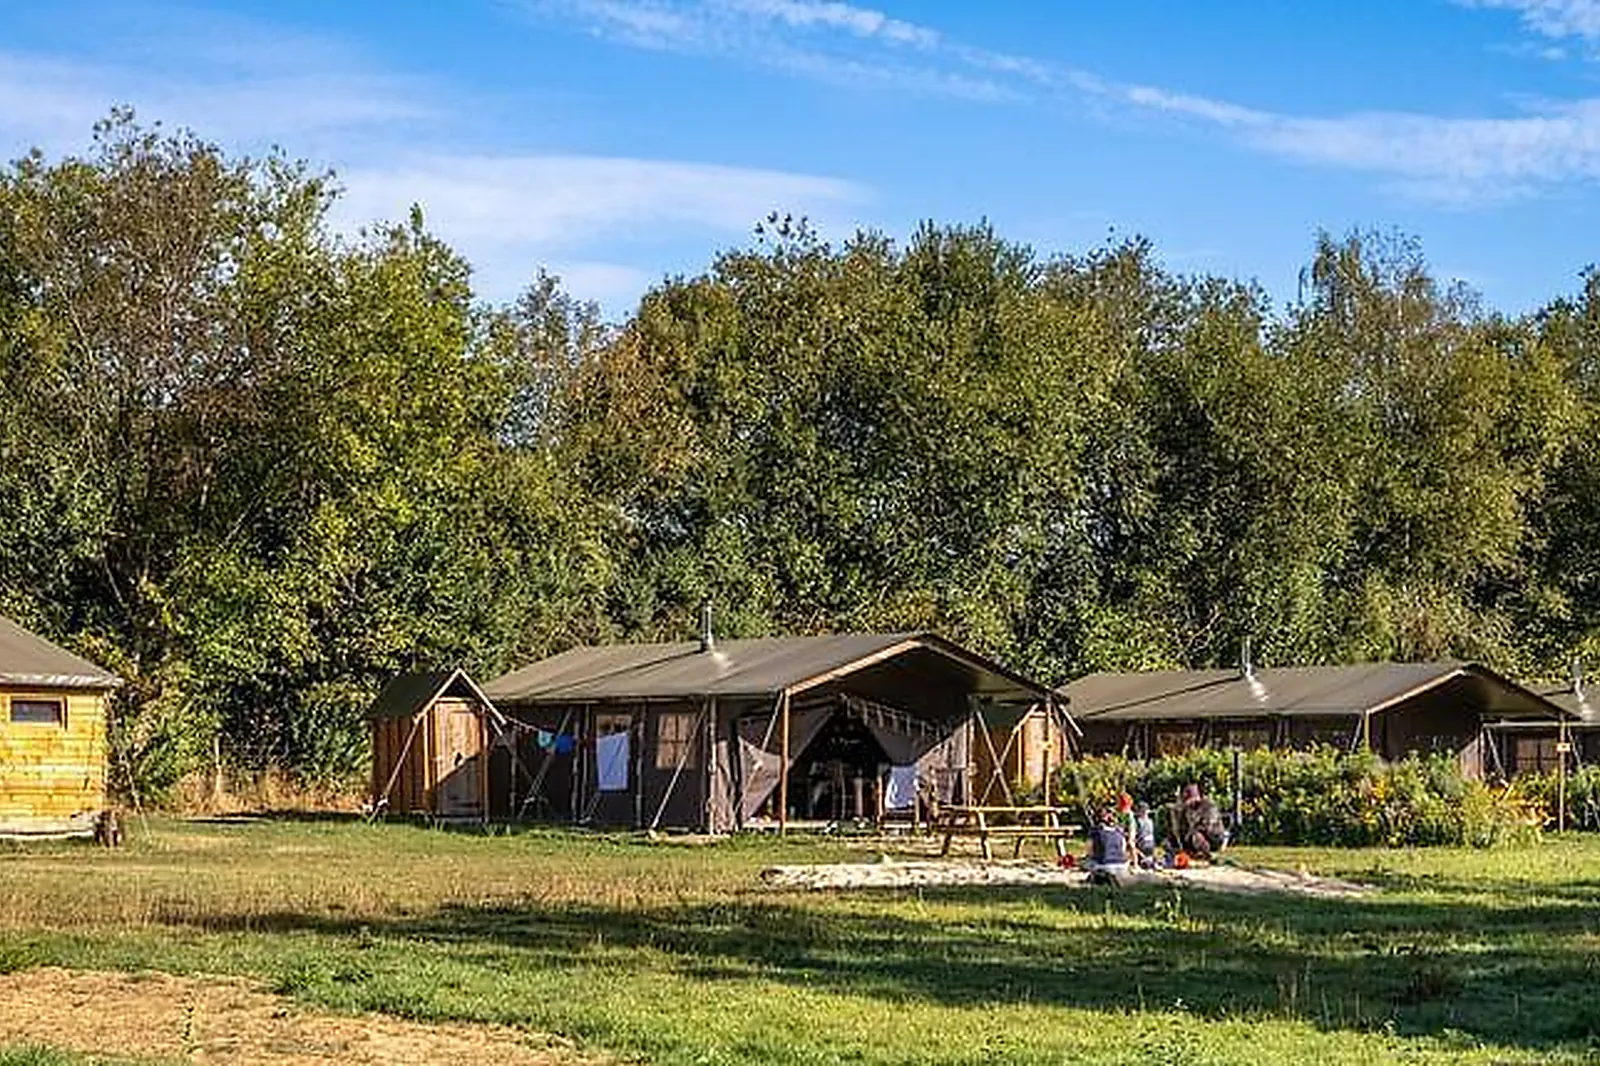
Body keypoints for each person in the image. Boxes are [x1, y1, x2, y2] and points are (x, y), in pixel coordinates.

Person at [1172, 782, 1228, 861]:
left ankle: (1208, 855)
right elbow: (1180, 829)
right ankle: (1191, 854)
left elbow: (1207, 826)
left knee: (1197, 836)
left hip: (1214, 837)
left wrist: (1190, 833)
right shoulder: (1187, 809)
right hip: (1195, 836)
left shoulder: (1209, 805)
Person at [1086, 806, 1130, 885]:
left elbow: (1090, 851)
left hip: (1104, 864)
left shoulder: (1095, 831)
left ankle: (1097, 877)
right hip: (1122, 865)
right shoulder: (1120, 831)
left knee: (1087, 862)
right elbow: (1123, 849)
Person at [1130, 801, 1157, 867]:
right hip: (1148, 847)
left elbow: (1133, 838)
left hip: (1143, 847)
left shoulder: (1137, 822)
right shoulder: (1150, 821)